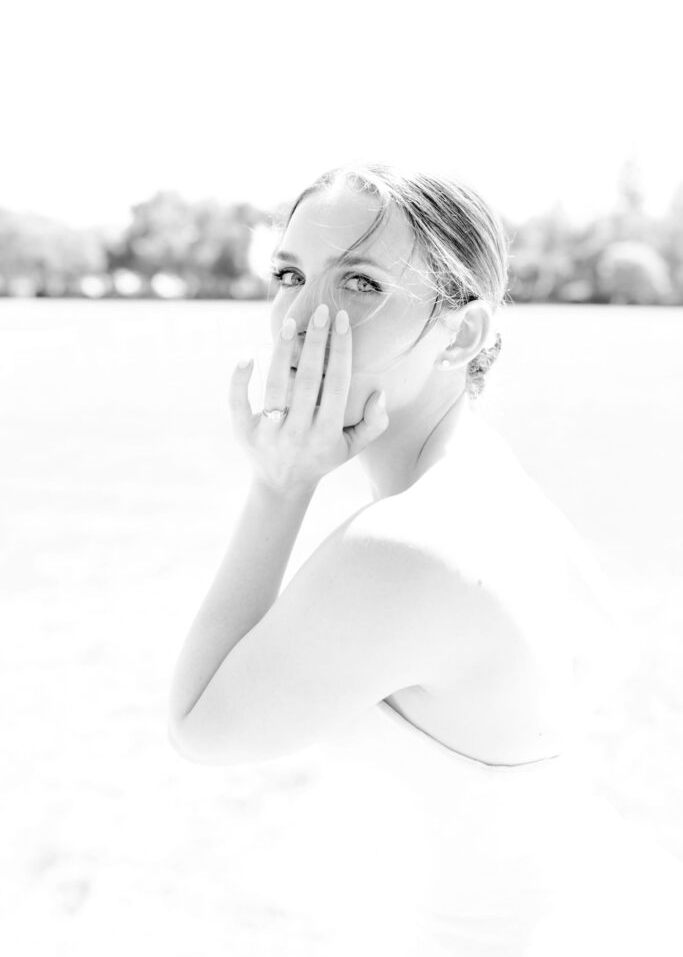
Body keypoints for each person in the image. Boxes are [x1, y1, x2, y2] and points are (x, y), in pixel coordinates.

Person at [168, 163, 683, 955]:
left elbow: (201, 730)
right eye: (289, 274)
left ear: (464, 332)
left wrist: (279, 488)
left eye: (361, 284)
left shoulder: (405, 549)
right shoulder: (496, 488)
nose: (300, 317)